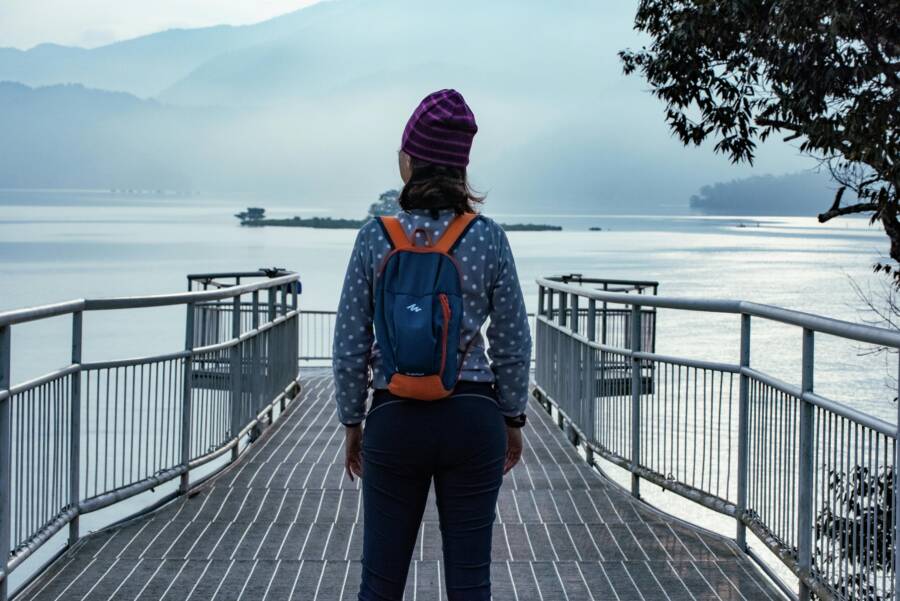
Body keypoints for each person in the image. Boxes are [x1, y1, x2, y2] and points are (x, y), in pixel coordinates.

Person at [332, 88, 532, 601]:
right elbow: (512, 342)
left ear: (409, 161)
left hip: (394, 419)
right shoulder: (488, 238)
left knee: (380, 583)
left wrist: (354, 422)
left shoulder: (375, 237)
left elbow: (351, 342)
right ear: (461, 168)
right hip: (472, 419)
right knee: (470, 584)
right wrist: (511, 419)